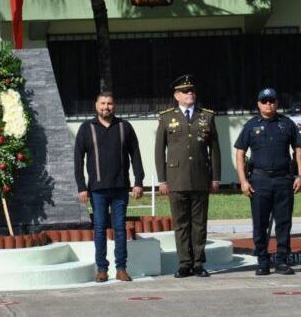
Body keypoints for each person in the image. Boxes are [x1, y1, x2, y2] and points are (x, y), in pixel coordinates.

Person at [154, 75, 220, 278]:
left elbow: (215, 150)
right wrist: (162, 180)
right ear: (176, 96)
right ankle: (184, 263)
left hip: (200, 176)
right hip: (176, 178)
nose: (189, 93)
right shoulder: (166, 118)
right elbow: (159, 150)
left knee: (199, 223)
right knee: (181, 223)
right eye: (185, 91)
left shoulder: (206, 116)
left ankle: (199, 263)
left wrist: (215, 177)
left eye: (191, 90)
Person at [74, 92, 144, 282]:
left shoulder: (125, 127)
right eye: (103, 103)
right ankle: (102, 269)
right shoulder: (86, 128)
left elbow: (136, 155)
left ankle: (121, 268)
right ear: (96, 105)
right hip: (97, 189)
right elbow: (78, 159)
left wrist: (139, 181)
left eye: (110, 103)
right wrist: (81, 186)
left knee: (119, 228)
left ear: (115, 106)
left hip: (120, 187)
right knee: (99, 229)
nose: (106, 107)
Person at [234, 88, 301, 276]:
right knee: (260, 223)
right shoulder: (250, 125)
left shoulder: (287, 124)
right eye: (264, 101)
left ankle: (282, 260)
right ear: (258, 104)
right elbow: (240, 154)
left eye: (272, 101)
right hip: (259, 180)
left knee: (284, 222)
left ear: (277, 103)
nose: (268, 104)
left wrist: (300, 175)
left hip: (284, 179)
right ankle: (263, 261)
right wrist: (243, 181)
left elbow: (298, 150)